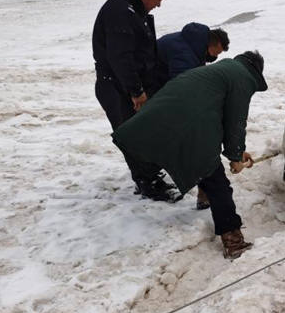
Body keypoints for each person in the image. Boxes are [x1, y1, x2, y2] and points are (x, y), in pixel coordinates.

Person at [112, 51, 268, 259]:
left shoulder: (219, 71)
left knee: (203, 162)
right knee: (217, 181)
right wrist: (234, 156)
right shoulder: (242, 78)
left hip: (160, 119)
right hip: (189, 127)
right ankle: (233, 241)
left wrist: (237, 153)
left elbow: (215, 112)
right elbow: (235, 123)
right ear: (256, 71)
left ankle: (204, 198)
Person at [93, 0, 176, 201]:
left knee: (143, 131)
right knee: (132, 134)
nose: (159, 5)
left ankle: (150, 175)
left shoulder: (131, 10)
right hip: (116, 87)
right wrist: (136, 91)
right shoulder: (121, 12)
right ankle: (147, 183)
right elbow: (121, 58)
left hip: (125, 85)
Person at [152, 23, 230, 210]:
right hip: (153, 89)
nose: (215, 57)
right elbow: (183, 89)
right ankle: (152, 177)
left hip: (159, 87)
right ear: (210, 44)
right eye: (215, 52)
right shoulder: (185, 54)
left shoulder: (193, 46)